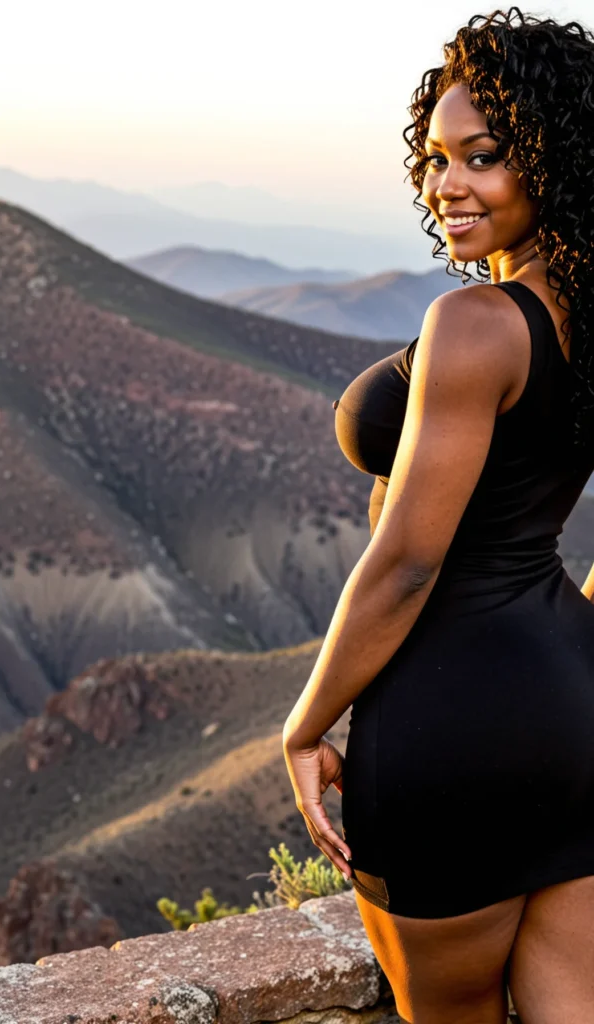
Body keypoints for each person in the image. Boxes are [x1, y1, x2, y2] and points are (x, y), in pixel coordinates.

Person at [282, 7, 594, 1023]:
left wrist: (305, 724)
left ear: (554, 158)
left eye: (482, 157)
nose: (445, 185)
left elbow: (408, 561)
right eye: (434, 159)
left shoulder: (475, 324)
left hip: (446, 733)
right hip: (573, 713)